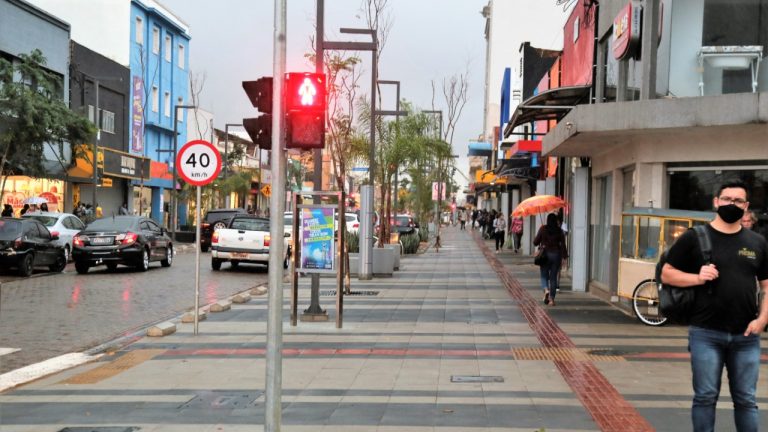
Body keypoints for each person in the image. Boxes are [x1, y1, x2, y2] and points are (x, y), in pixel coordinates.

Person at [661, 181, 768, 432]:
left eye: (738, 201)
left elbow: (766, 286)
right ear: (716, 202)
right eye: (727, 199)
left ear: (746, 206)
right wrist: (697, 277)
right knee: (705, 397)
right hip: (706, 333)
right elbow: (666, 274)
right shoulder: (694, 238)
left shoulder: (757, 242)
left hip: (746, 335)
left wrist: (762, 320)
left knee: (746, 400)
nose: (732, 204)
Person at [534, 213, 568, 306]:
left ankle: (546, 289)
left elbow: (535, 242)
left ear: (547, 220)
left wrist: (540, 235)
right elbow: (563, 245)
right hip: (556, 255)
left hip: (545, 255)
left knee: (544, 275)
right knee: (553, 278)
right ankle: (552, 299)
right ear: (556, 221)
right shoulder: (559, 231)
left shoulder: (543, 229)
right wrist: (564, 257)